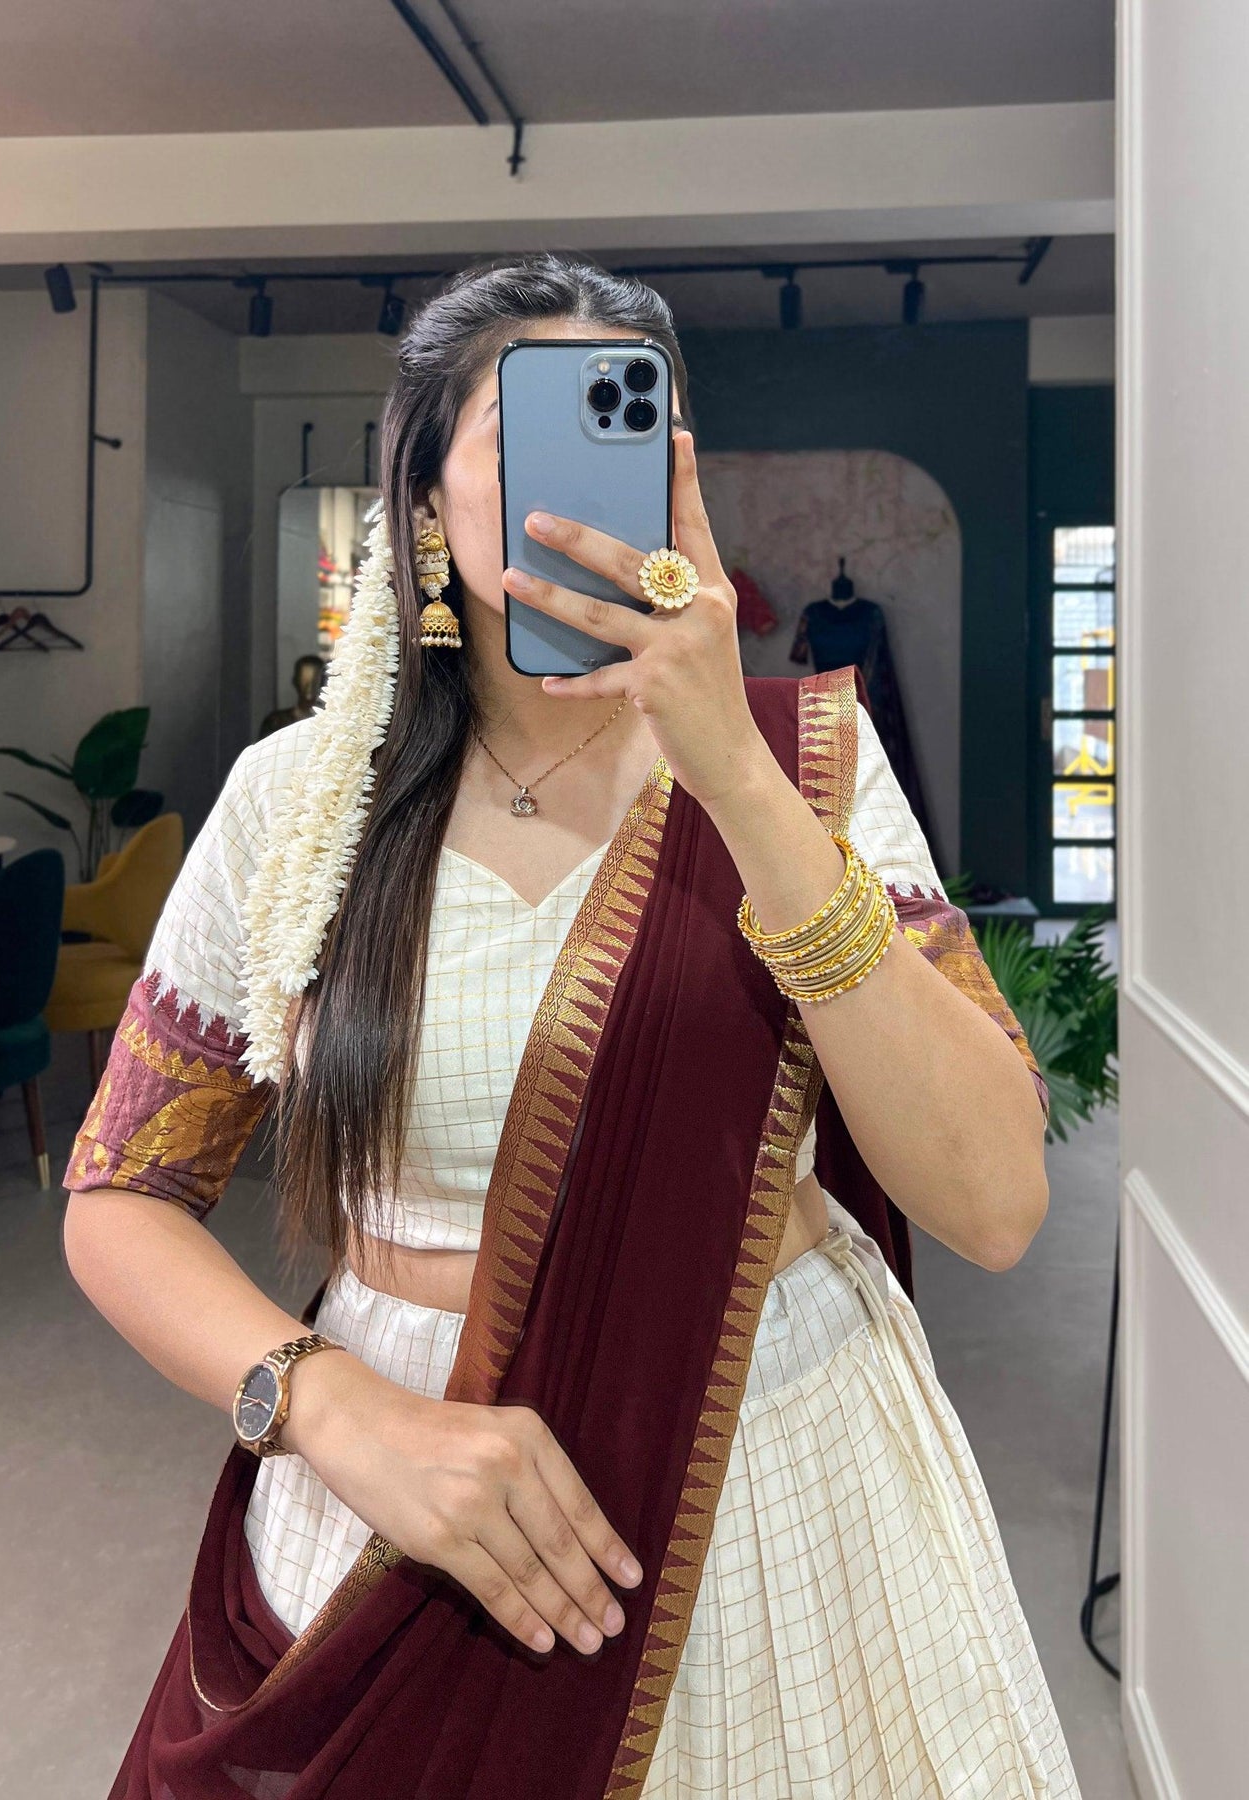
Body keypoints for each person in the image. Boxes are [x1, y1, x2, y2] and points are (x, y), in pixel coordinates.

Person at [63, 254, 1081, 1799]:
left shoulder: (804, 760)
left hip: (770, 1457)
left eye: (628, 431)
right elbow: (119, 1193)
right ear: (421, 498)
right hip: (397, 1491)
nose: (582, 486)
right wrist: (327, 1408)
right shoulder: (298, 801)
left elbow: (994, 1202)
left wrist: (733, 777)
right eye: (525, 434)